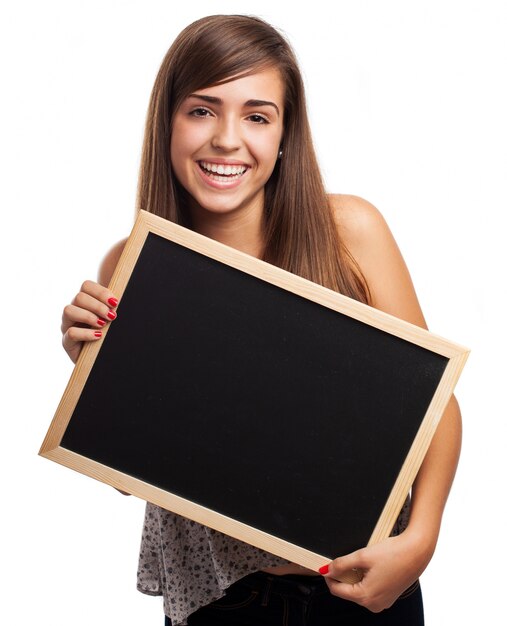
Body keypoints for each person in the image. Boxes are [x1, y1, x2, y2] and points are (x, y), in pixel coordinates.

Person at [61, 14, 461, 626]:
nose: (226, 139)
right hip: (221, 602)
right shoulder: (132, 264)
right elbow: (140, 478)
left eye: (256, 115)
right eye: (201, 110)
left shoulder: (347, 232)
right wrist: (96, 375)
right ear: (167, 121)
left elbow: (436, 407)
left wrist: (422, 540)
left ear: (283, 135)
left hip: (360, 589)